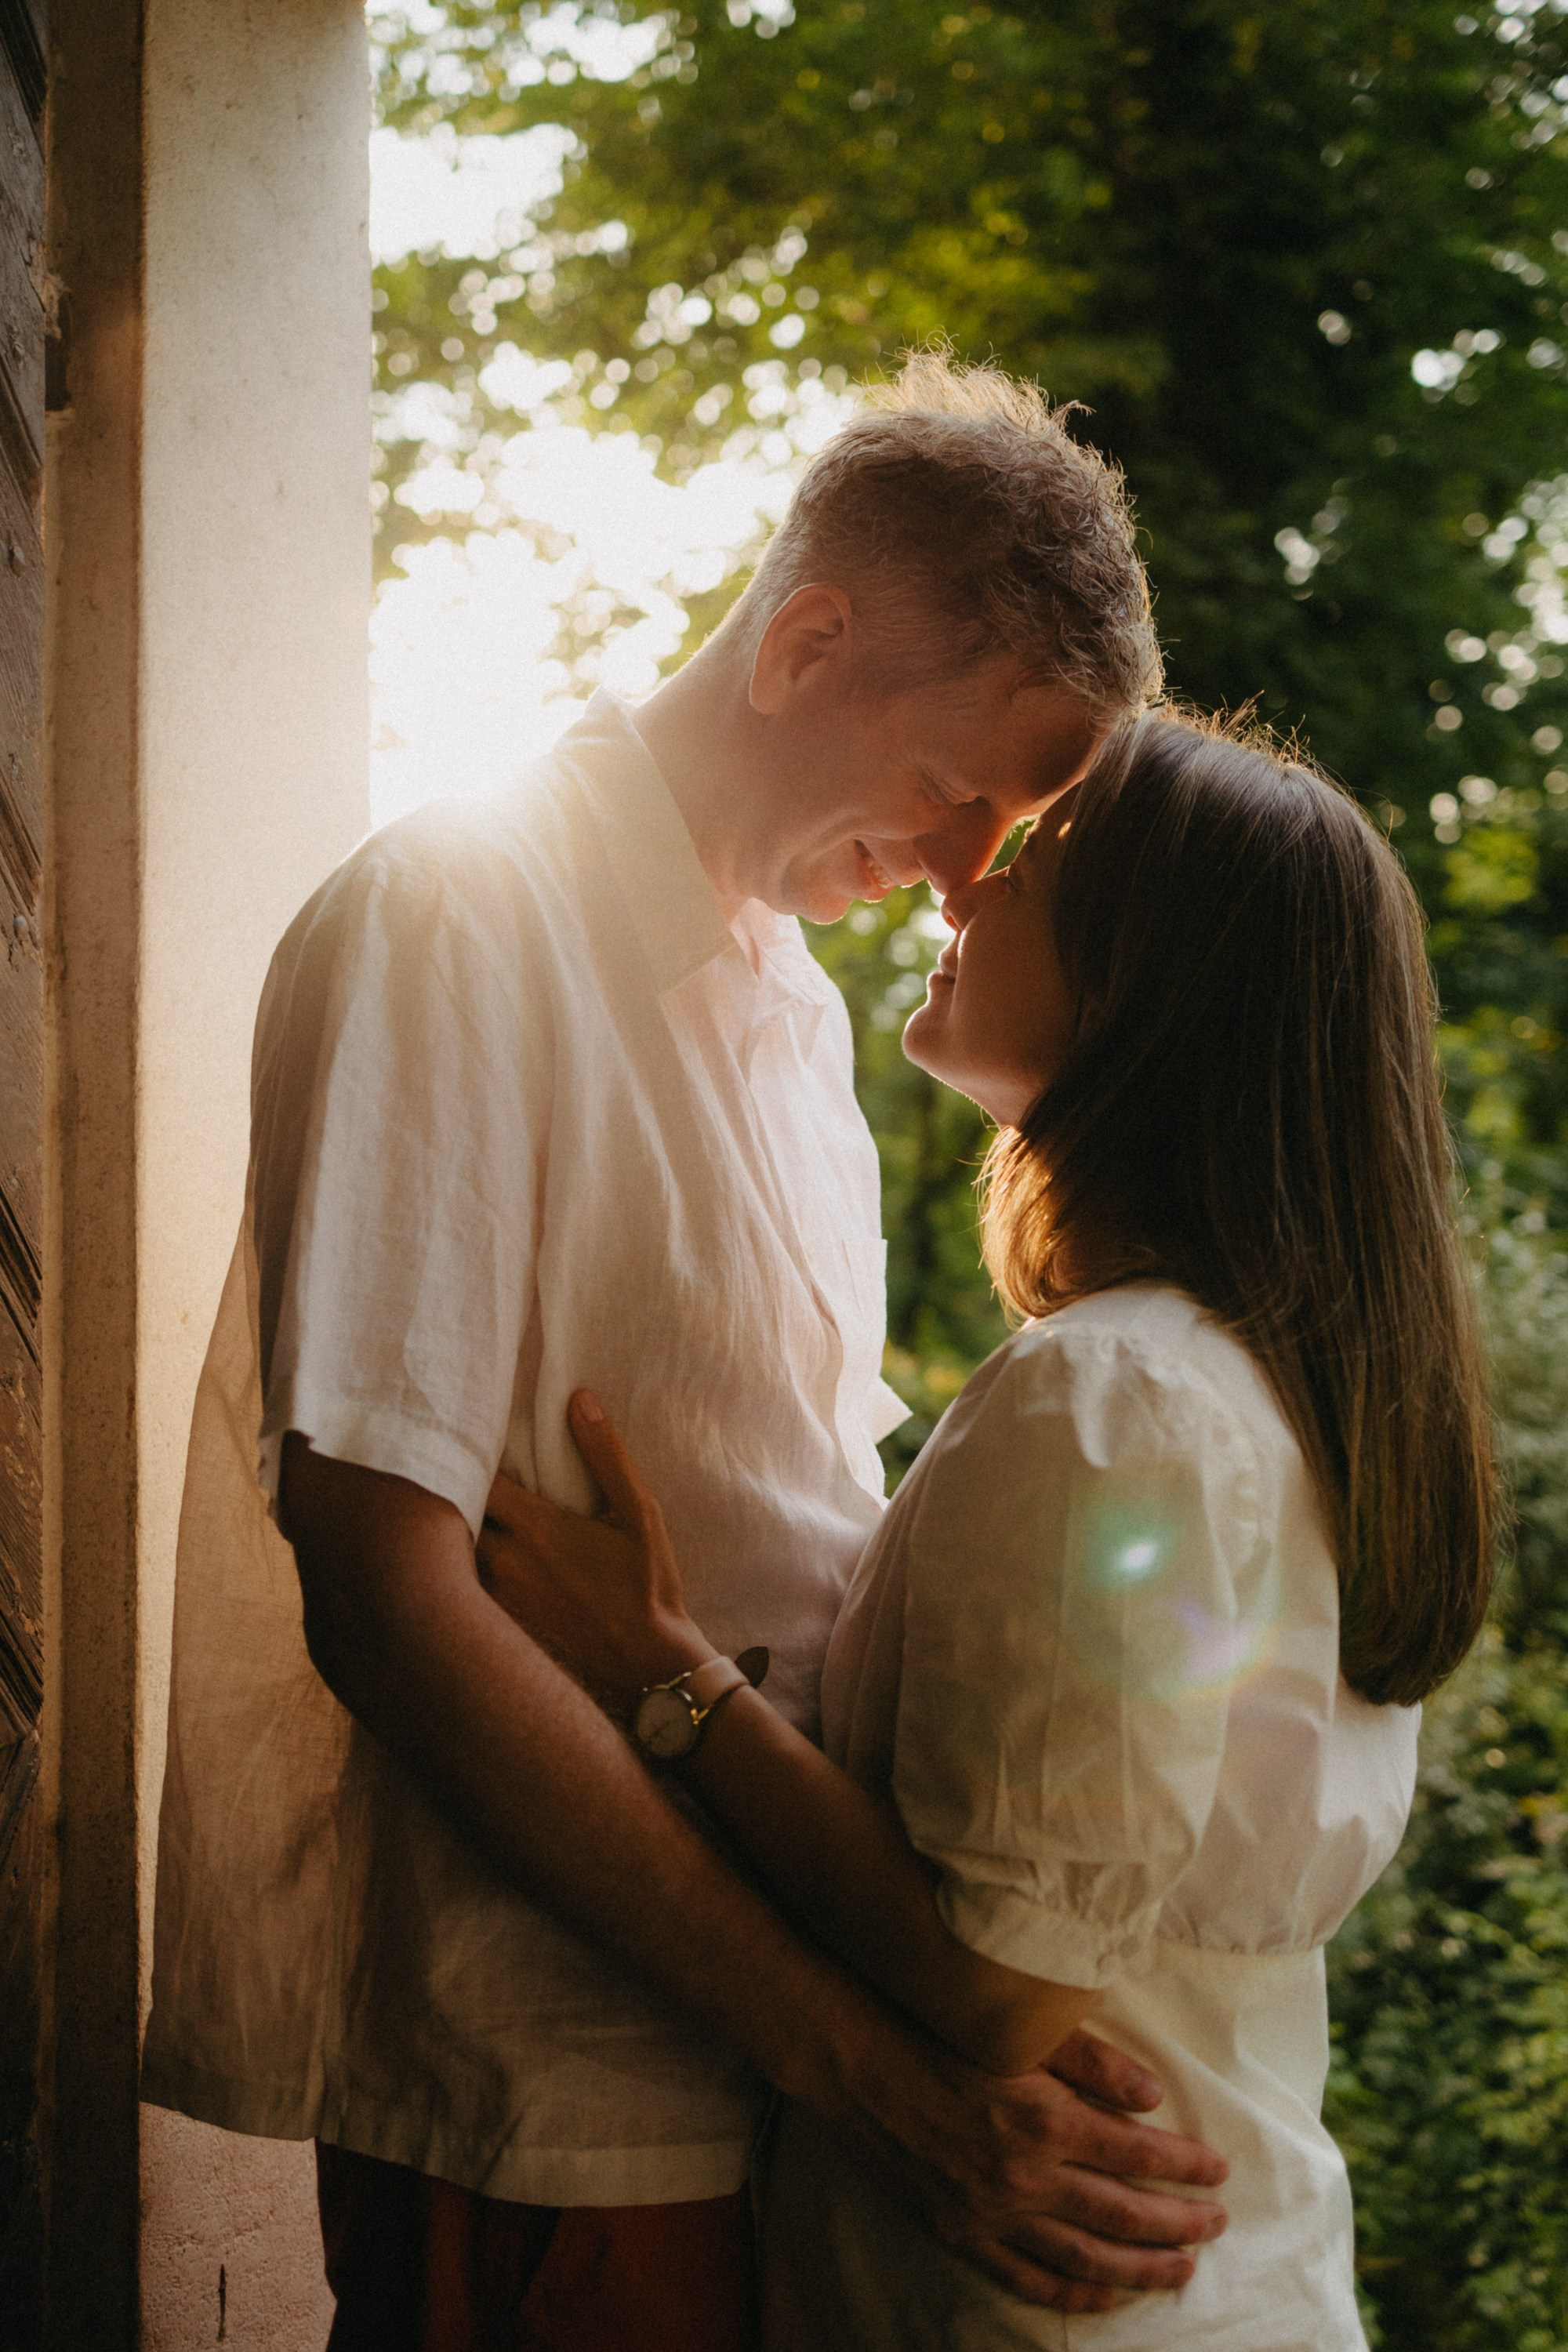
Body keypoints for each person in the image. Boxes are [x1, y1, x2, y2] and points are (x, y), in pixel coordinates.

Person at [141, 356, 1234, 2352]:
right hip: (560, 2108)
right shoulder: (457, 920)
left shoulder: (802, 1017)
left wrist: (953, 2001)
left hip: (774, 2092)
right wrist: (878, 2077)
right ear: (808, 643)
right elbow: (387, 1596)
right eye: (963, 792)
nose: (977, 868)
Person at [474, 710, 1498, 2350]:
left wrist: (657, 1666)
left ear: (1153, 980)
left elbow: (995, 1989)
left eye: (1036, 861)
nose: (964, 885)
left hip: (1045, 2309)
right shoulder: (1273, 1397)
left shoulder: (1119, 1407)